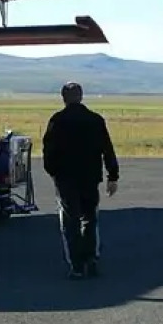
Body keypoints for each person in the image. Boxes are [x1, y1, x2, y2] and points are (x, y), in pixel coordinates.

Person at [41, 82, 119, 278]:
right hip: (90, 177)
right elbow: (107, 148)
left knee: (70, 220)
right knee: (90, 218)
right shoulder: (95, 119)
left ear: (64, 98)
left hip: (66, 178)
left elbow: (48, 150)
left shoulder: (57, 121)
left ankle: (76, 265)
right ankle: (91, 258)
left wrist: (53, 171)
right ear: (81, 96)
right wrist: (112, 175)